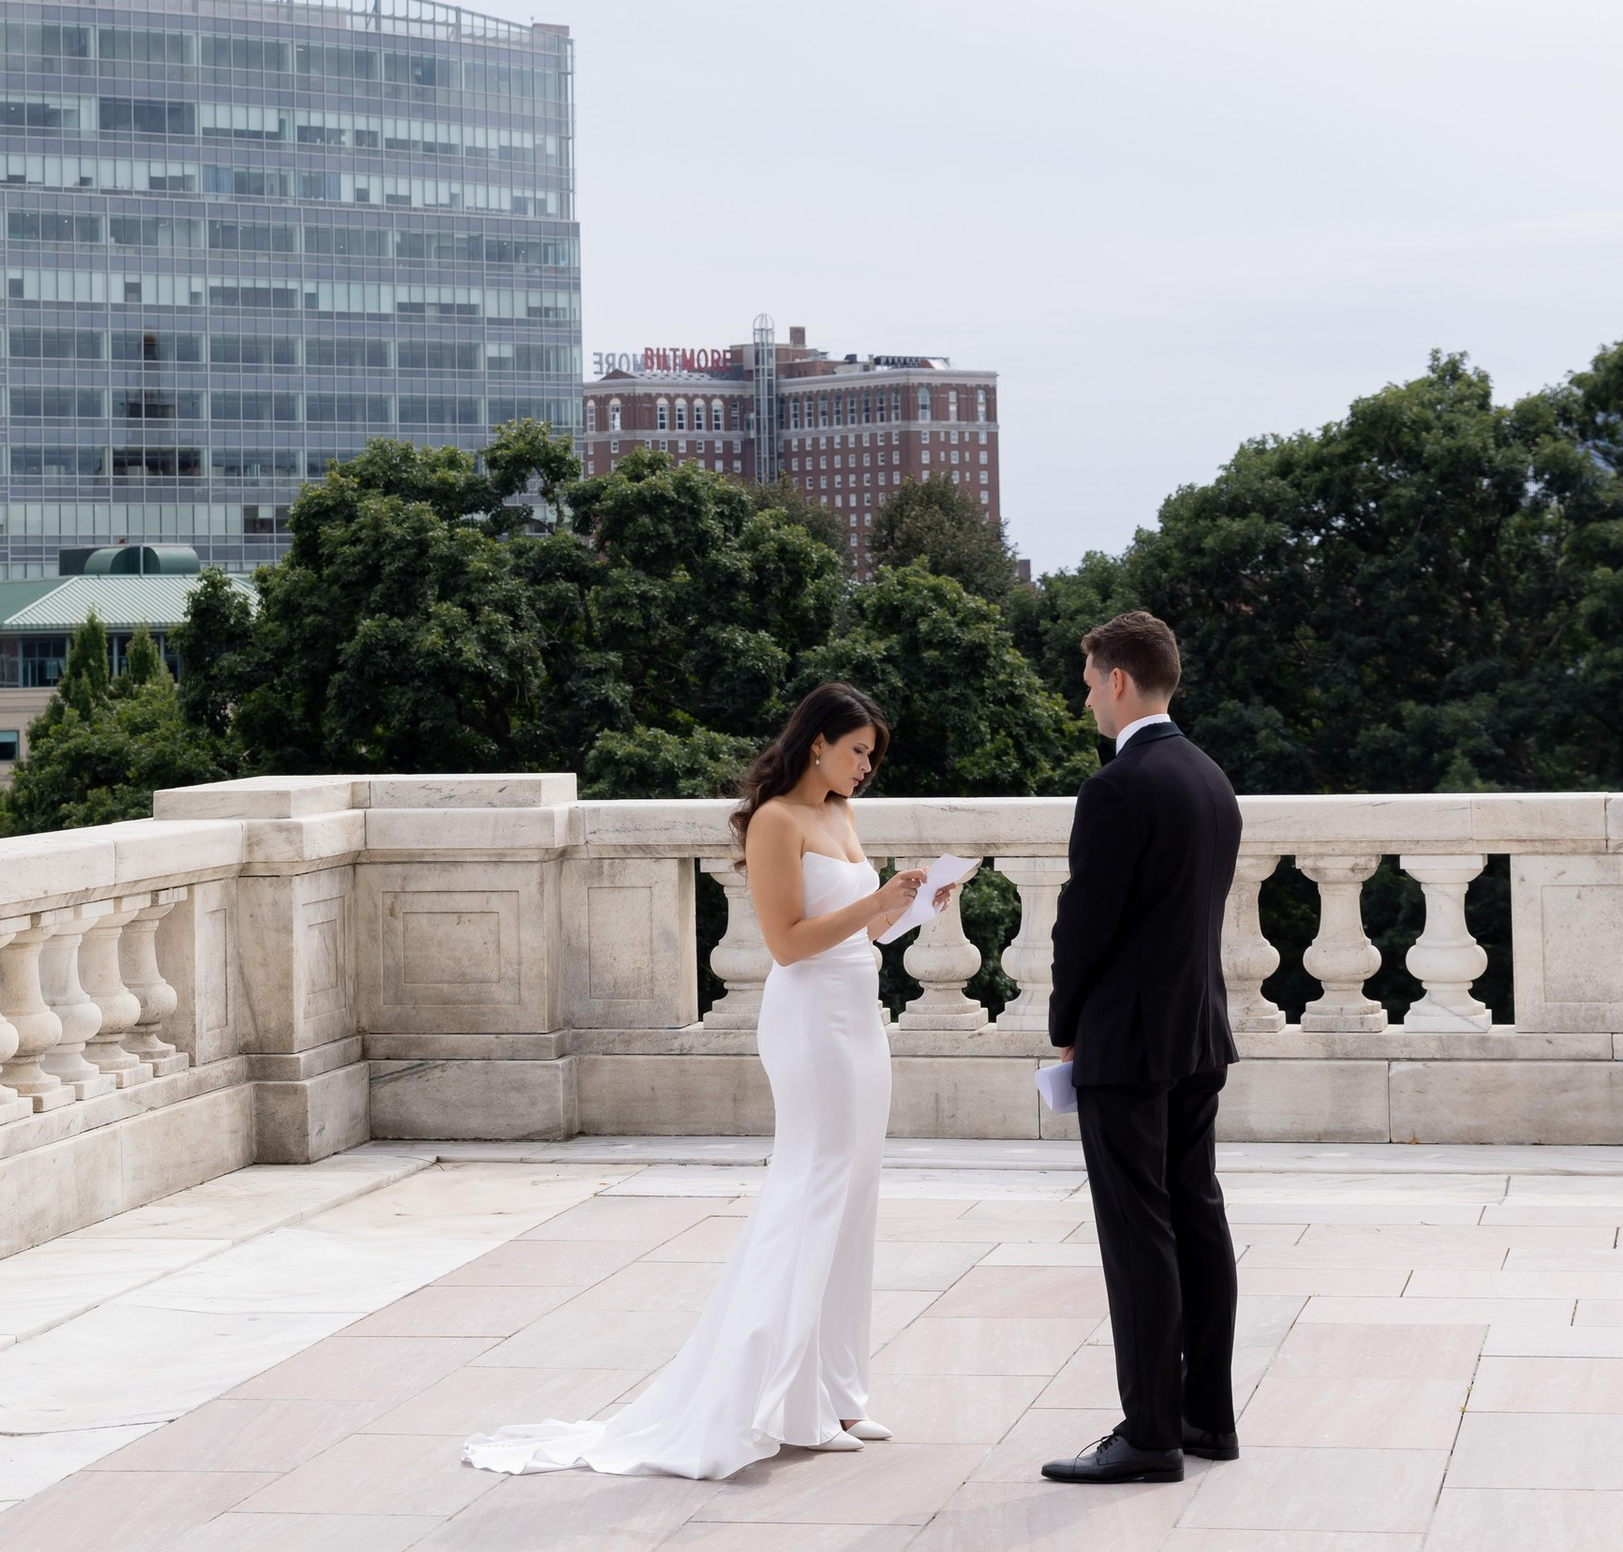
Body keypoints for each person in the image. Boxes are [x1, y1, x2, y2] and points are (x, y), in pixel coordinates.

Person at [465, 682, 945, 1479]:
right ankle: (789, 1401)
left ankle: (839, 1391)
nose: (866, 767)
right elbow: (789, 945)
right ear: (817, 742)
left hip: (861, 1014)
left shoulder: (841, 816)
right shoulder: (775, 821)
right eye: (857, 750)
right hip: (810, 1020)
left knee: (856, 1194)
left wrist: (917, 904)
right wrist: (873, 909)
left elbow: (873, 933)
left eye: (871, 755)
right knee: (815, 1190)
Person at [1039, 608, 1242, 1488]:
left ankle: (1150, 1431)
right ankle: (1205, 1417)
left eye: (1089, 681)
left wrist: (1063, 1023)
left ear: (1119, 681)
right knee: (1195, 1218)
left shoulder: (1116, 788)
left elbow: (1086, 924)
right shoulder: (1209, 777)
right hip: (1198, 1034)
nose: (1086, 698)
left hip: (1128, 1043)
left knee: (1140, 1236)